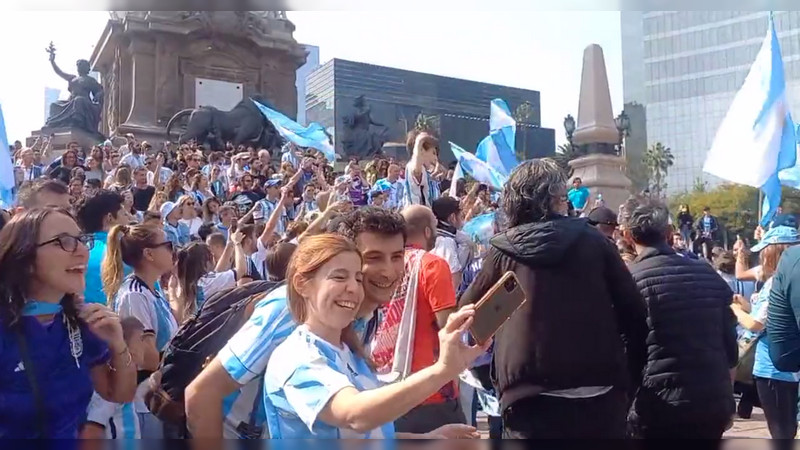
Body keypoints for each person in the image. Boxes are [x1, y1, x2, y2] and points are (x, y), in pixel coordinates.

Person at [458, 159, 648, 439]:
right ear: (558, 200)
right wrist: (628, 380)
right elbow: (635, 315)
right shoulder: (595, 242)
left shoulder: (502, 252)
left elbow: (468, 319)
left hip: (525, 400)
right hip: (598, 396)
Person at [184, 207, 410, 439]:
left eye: (397, 256)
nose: (388, 271)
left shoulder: (367, 315)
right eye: (373, 258)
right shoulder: (288, 310)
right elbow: (202, 394)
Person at [264, 233, 484, 439]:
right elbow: (354, 415)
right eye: (339, 277)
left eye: (358, 279)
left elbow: (369, 435)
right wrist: (443, 370)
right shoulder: (296, 357)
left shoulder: (350, 351)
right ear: (302, 284)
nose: (353, 288)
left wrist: (428, 439)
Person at [0, 208, 136, 438]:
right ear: (25, 259)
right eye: (63, 241)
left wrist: (117, 344)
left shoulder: (80, 321)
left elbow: (118, 393)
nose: (82, 251)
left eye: (81, 240)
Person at [624, 199, 737, 438]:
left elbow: (625, 352)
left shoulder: (629, 280)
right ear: (668, 233)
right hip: (711, 402)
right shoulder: (707, 273)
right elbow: (730, 346)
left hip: (656, 407)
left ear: (628, 235)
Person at [370, 205, 462, 433]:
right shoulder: (433, 265)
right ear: (427, 231)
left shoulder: (383, 267)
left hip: (384, 388)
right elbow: (448, 327)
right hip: (431, 391)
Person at [101, 223, 180, 438]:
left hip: (159, 394)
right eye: (168, 245)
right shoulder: (135, 295)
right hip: (144, 402)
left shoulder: (152, 289)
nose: (173, 250)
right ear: (149, 254)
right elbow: (147, 358)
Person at [734, 226, 800, 439]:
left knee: (781, 431)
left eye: (764, 251)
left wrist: (734, 310)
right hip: (786, 367)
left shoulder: (775, 283)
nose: (762, 256)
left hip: (772, 369)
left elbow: (756, 324)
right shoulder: (790, 279)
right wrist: (746, 306)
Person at [82, 317, 148, 439]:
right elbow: (92, 429)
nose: (145, 346)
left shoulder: (126, 381)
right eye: (141, 339)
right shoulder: (112, 385)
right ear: (125, 344)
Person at [171, 234, 248, 323]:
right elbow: (241, 271)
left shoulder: (186, 280)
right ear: (204, 261)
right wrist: (237, 244)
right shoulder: (208, 282)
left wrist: (229, 244)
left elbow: (217, 272)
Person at [76, 190, 131, 304]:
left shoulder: (74, 252)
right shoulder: (129, 253)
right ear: (110, 218)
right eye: (124, 214)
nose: (129, 218)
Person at [431, 196, 473, 292]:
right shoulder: (445, 242)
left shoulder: (447, 236)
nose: (462, 217)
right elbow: (453, 279)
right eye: (460, 214)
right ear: (453, 218)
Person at [403, 130, 440, 208]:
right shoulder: (413, 166)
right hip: (416, 214)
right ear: (421, 150)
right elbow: (417, 170)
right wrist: (419, 141)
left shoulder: (427, 172)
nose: (436, 158)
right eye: (433, 153)